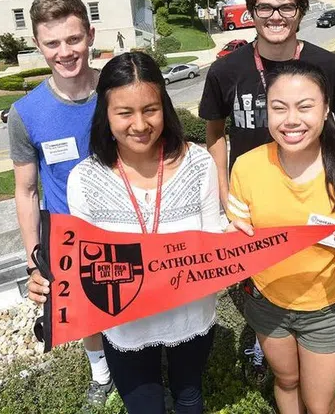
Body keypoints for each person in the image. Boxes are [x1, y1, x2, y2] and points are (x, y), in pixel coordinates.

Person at [199, 0, 335, 373]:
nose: (275, 17)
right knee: (256, 276)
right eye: (265, 7)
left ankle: (320, 335)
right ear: (251, 12)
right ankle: (262, 335)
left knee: (310, 271)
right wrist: (224, 193)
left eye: (287, 7)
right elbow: (216, 135)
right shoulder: (225, 71)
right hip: (253, 197)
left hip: (314, 193)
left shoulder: (330, 68)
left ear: (301, 11)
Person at [54, 51, 219, 413]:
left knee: (190, 397)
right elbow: (83, 264)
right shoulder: (85, 178)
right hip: (125, 326)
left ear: (166, 107)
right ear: (105, 114)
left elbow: (214, 244)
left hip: (190, 317)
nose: (140, 125)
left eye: (150, 110)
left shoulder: (199, 163)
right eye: (124, 113)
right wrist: (53, 283)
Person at [226, 60, 335, 414]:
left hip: (325, 308)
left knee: (319, 401)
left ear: (326, 108)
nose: (291, 120)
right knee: (286, 381)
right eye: (279, 108)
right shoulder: (246, 167)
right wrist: (230, 241)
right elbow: (238, 237)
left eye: (305, 106)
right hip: (267, 302)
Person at [8, 0, 113, 406]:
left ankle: (144, 361)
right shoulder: (26, 112)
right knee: (86, 313)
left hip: (126, 225)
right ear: (38, 44)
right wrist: (34, 255)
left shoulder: (119, 88)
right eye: (52, 43)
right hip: (71, 236)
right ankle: (101, 375)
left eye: (73, 39)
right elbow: (26, 189)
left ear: (90, 35)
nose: (65, 52)